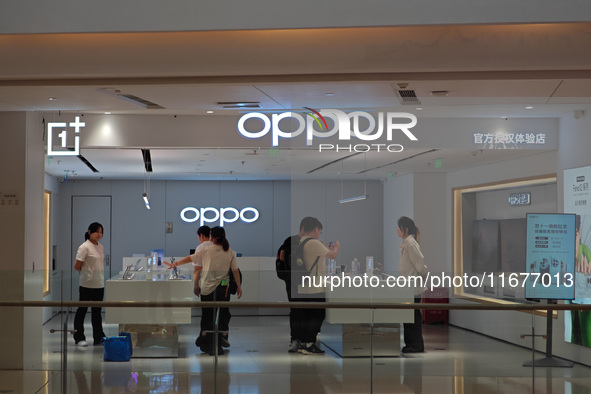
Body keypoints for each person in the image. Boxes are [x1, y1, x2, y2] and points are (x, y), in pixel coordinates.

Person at [171, 226, 242, 355]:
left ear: (211, 237)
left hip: (207, 288)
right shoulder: (229, 251)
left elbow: (191, 259)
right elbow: (235, 271)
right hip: (223, 287)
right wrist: (239, 286)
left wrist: (175, 264)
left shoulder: (205, 249)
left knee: (208, 316)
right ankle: (219, 344)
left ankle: (208, 344)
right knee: (220, 315)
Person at [295, 217, 340, 355]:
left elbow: (317, 256)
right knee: (316, 316)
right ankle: (310, 344)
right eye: (319, 230)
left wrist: (324, 248)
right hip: (315, 287)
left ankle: (303, 343)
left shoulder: (302, 242)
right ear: (315, 229)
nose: (319, 233)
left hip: (303, 286)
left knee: (305, 317)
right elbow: (332, 256)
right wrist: (336, 247)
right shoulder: (314, 242)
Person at [73, 222, 107, 346]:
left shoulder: (101, 247)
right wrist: (87, 275)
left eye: (101, 232)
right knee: (82, 310)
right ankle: (79, 337)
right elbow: (77, 265)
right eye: (96, 231)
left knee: (97, 312)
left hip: (99, 283)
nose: (99, 234)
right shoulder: (84, 247)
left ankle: (98, 337)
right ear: (89, 232)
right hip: (87, 284)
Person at [397, 216, 427, 353]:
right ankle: (410, 344)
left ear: (405, 229)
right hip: (407, 288)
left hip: (412, 288)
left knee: (413, 318)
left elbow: (420, 264)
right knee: (408, 317)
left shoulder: (410, 243)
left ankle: (416, 345)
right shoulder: (406, 243)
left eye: (399, 227)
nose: (397, 230)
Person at [277, 219, 306, 353]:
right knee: (301, 310)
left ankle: (296, 339)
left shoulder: (289, 241)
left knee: (296, 310)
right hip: (300, 281)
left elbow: (281, 257)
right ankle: (300, 339)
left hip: (291, 281)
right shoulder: (298, 242)